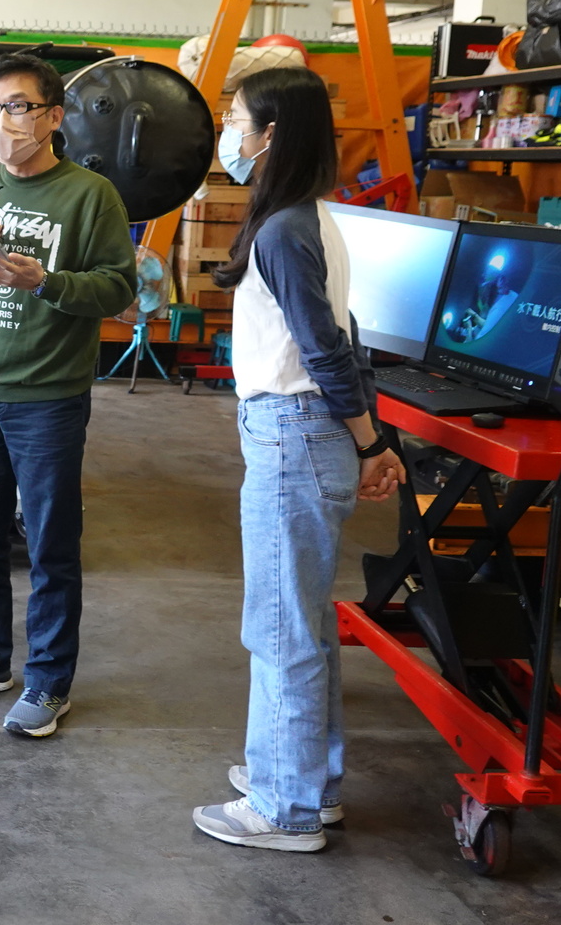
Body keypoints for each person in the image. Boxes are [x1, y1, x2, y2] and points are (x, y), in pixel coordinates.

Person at [190, 67, 405, 852]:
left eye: (237, 120)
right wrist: (368, 439)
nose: (230, 135)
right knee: (302, 621)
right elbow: (345, 342)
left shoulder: (283, 229)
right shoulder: (309, 218)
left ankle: (284, 808)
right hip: (306, 435)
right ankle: (305, 778)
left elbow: (322, 350)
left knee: (281, 628)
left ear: (271, 133)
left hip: (293, 434)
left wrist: (370, 441)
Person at [0, 52, 138, 737]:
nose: (2, 123)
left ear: (52, 115)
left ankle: (48, 682)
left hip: (48, 398)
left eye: (16, 108)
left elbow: (118, 288)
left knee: (49, 544)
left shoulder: (88, 196)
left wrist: (45, 282)